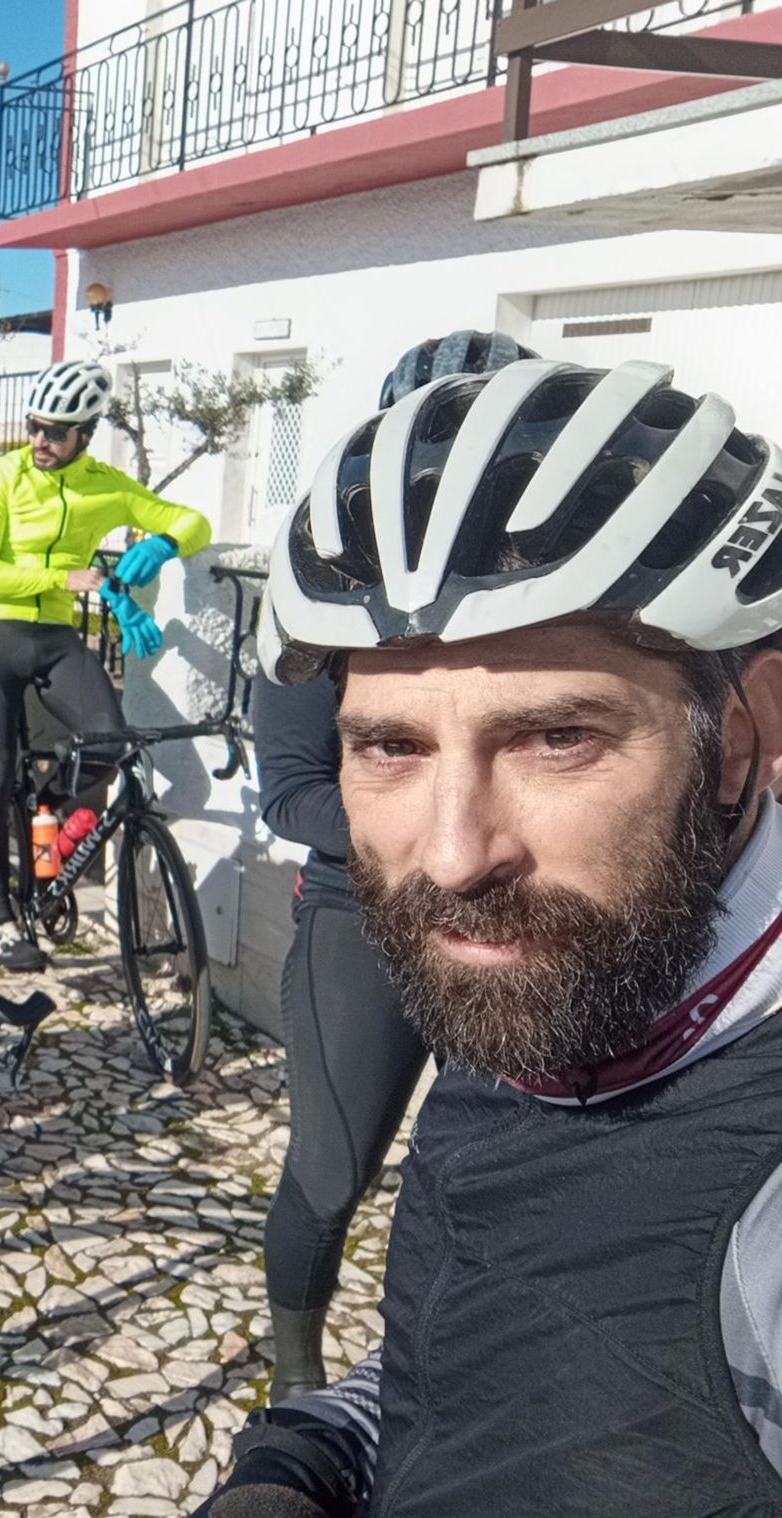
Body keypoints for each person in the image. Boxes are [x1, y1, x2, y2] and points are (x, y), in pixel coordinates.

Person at [194, 356, 782, 1515]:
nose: (455, 857)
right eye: (389, 747)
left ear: (738, 737)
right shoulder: (569, 979)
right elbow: (472, 1362)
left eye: (556, 739)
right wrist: (307, 1457)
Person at [254, 331, 540, 1401]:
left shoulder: (548, 595)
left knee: (492, 1172)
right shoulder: (324, 596)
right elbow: (290, 792)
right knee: (330, 1176)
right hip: (363, 916)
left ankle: (459, 1366)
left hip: (516, 918)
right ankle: (295, 1376)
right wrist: (433, 835)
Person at [0, 358, 211, 970]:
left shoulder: (106, 486)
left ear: (85, 435)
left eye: (55, 431)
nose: (39, 440)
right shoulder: (1, 477)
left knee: (110, 741)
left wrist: (164, 543)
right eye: (34, 426)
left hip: (53, 637)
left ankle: (43, 813)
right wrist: (61, 577)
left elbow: (193, 521)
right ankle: (0, 920)